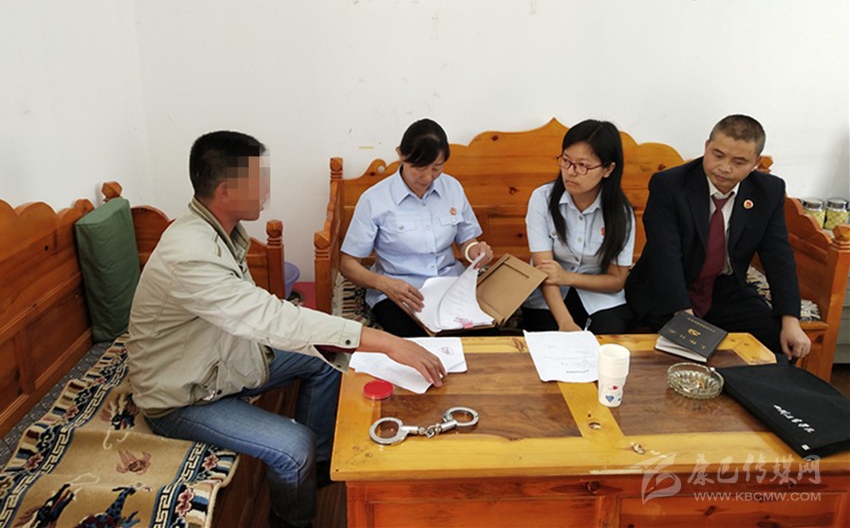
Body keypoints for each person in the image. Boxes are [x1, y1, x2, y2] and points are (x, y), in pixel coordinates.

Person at [126, 131, 445, 528]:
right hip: (183, 394)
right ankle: (292, 518)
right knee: (293, 447)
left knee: (325, 362)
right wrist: (386, 342)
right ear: (226, 191)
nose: (267, 189)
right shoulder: (189, 254)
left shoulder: (218, 230)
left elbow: (255, 314)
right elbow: (268, 318)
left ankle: (319, 467)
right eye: (259, 180)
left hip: (224, 359)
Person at [625, 114, 811, 360]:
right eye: (718, 155)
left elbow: (778, 255)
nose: (725, 167)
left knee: (779, 341)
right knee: (687, 352)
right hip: (668, 290)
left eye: (739, 161)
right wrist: (683, 314)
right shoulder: (669, 185)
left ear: (756, 163)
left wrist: (791, 319)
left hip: (725, 289)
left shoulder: (768, 191)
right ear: (706, 147)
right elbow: (665, 255)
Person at [340, 118, 493, 336]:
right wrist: (383, 283)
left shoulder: (452, 188)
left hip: (451, 287)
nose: (427, 177)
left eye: (437, 168)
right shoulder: (374, 200)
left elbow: (467, 240)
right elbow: (347, 264)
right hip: (400, 293)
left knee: (486, 339)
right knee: (418, 344)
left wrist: (475, 251)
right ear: (401, 155)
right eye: (419, 168)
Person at [521, 119, 636, 334]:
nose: (571, 172)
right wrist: (565, 323)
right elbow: (545, 271)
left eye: (583, 165)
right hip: (549, 294)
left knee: (609, 338)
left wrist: (567, 277)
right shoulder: (542, 199)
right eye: (566, 161)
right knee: (548, 340)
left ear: (608, 169)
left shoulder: (620, 213)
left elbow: (617, 280)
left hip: (599, 296)